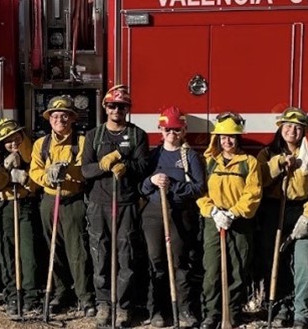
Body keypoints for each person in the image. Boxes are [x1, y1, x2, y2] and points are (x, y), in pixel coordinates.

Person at [82, 85, 149, 327]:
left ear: (127, 109)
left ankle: (123, 307)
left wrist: (127, 166)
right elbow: (85, 170)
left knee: (126, 257)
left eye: (121, 106)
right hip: (99, 204)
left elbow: (144, 166)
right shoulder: (93, 135)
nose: (116, 110)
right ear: (105, 107)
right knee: (100, 256)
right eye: (112, 105)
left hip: (126, 204)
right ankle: (103, 304)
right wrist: (103, 165)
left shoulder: (137, 135)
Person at [255, 107, 308, 329]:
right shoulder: (267, 155)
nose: (292, 131)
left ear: (305, 131)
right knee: (276, 263)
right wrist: (278, 164)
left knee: (305, 263)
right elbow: (259, 181)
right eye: (288, 126)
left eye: (298, 128)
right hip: (272, 211)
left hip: (300, 211)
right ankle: (281, 308)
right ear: (280, 128)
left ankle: (301, 313)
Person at [29, 95, 95, 318]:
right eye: (55, 116)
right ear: (49, 119)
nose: (60, 119)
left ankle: (84, 297)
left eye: (65, 116)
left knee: (78, 250)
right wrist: (49, 176)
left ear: (72, 119)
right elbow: (34, 171)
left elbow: (85, 170)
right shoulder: (41, 144)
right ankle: (59, 293)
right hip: (49, 201)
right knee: (53, 249)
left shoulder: (83, 142)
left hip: (73, 201)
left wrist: (68, 173)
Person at [139, 106, 204, 328]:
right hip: (154, 214)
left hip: (180, 213)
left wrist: (174, 186)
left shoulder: (189, 156)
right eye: (168, 130)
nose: (172, 134)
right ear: (161, 130)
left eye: (177, 130)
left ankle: (184, 309)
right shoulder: (153, 155)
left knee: (180, 262)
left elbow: (199, 187)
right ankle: (156, 310)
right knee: (156, 261)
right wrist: (152, 181)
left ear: (184, 131)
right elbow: (140, 186)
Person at [196, 112, 262, 329]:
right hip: (213, 221)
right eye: (223, 137)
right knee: (212, 270)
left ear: (238, 138)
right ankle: (211, 314)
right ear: (217, 138)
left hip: (240, 221)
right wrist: (213, 211)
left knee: (237, 270)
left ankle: (231, 314)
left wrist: (233, 213)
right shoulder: (208, 162)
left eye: (232, 136)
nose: (227, 140)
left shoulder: (249, 163)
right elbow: (200, 191)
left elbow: (253, 193)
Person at [0, 118, 42, 315]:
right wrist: (6, 171)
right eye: (8, 141)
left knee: (28, 254)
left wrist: (26, 179)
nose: (13, 144)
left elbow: (37, 179)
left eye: (16, 138)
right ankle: (12, 295)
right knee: (6, 252)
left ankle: (30, 296)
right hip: (4, 206)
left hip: (25, 205)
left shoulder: (33, 153)